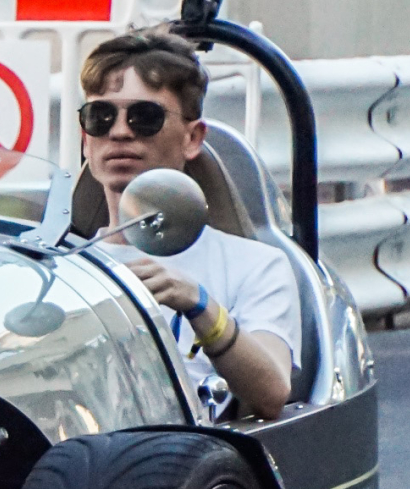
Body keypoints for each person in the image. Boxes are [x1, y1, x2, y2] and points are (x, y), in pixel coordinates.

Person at [77, 32, 297, 421]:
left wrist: (199, 305)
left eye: (145, 117)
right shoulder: (61, 268)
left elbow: (272, 393)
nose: (120, 132)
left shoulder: (255, 263)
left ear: (192, 137)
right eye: (101, 117)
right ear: (85, 140)